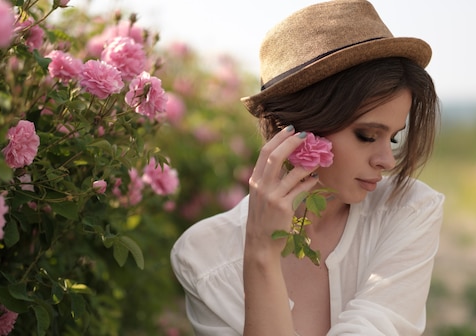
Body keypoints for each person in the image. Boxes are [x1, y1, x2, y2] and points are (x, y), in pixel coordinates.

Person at [170, 0, 444, 335]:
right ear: (290, 129)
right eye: (367, 135)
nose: (386, 161)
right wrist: (261, 255)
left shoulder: (407, 209)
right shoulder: (205, 257)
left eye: (393, 138)